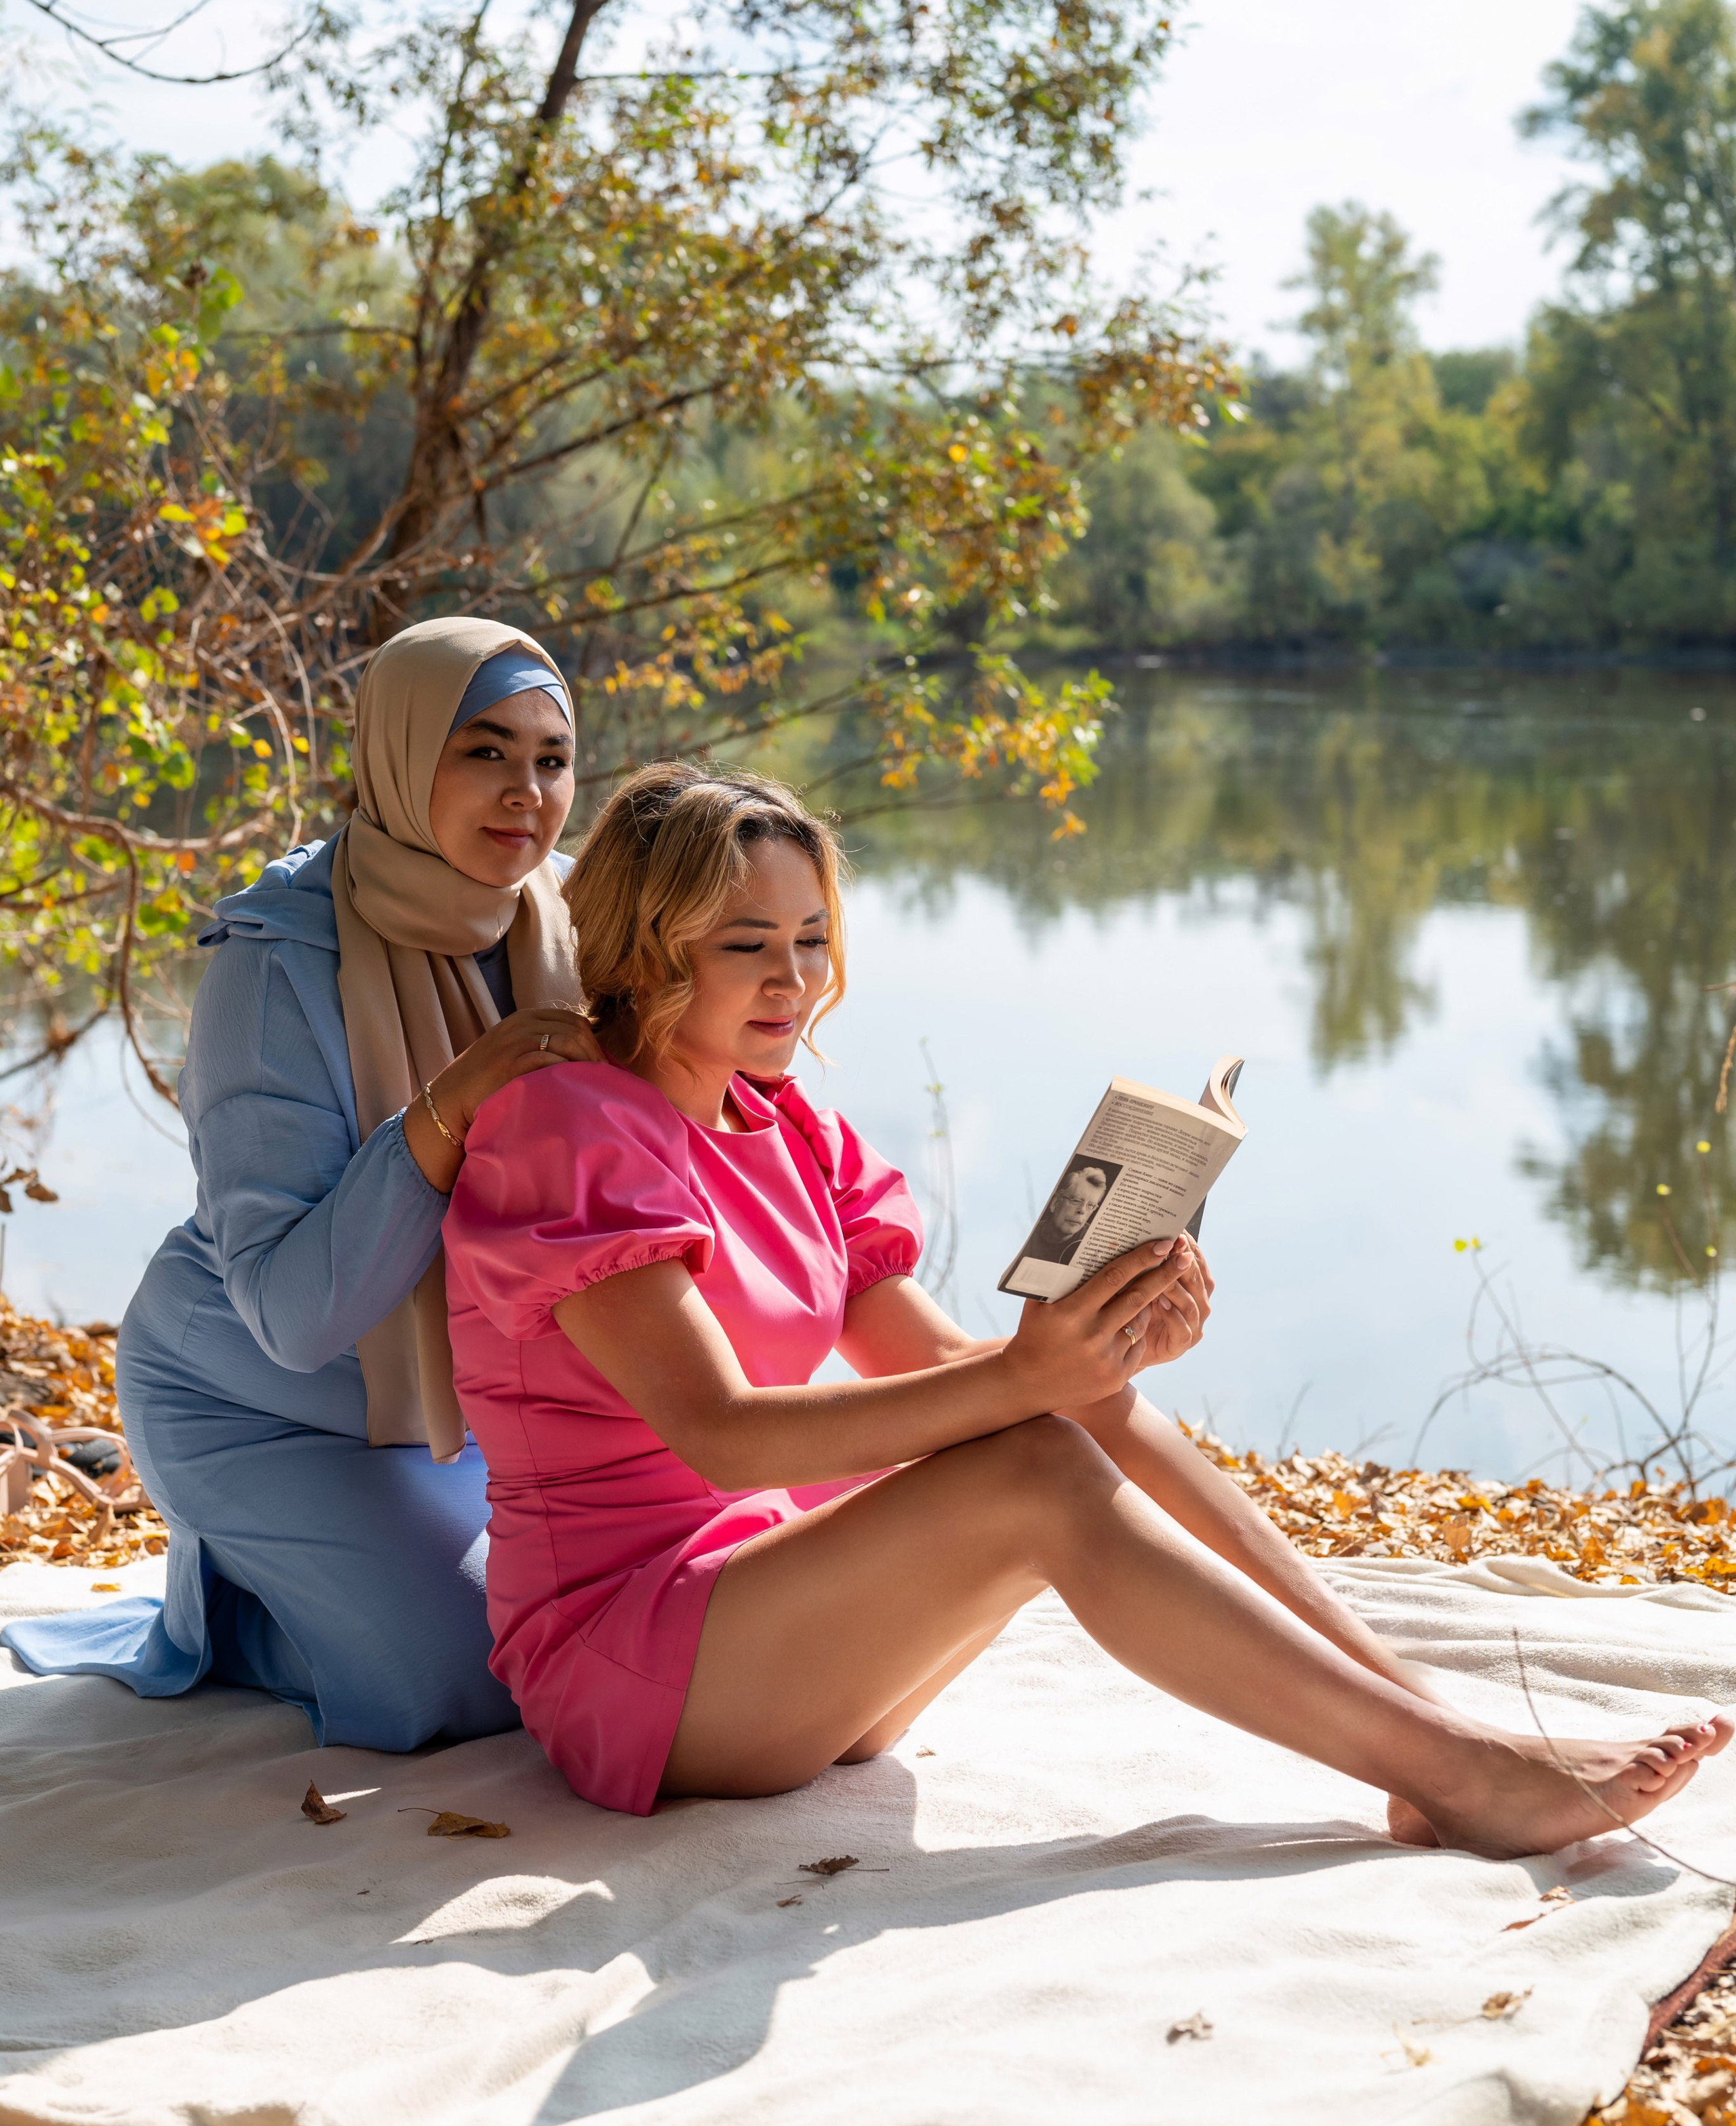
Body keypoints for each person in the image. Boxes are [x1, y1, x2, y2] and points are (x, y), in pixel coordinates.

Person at [442, 762, 1730, 1852]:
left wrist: (1105, 1333)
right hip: (636, 1667)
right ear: (649, 945)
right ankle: (1461, 1773)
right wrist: (1024, 1383)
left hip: (791, 1638)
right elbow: (720, 1433)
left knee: (1079, 1409)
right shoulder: (572, 1124)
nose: (793, 980)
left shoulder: (790, 1124)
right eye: (747, 946)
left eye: (812, 941)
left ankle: (1428, 1732)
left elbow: (947, 1366)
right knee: (1039, 1459)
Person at [2, 616, 597, 1748]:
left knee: (607, 1631)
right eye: (484, 751)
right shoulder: (276, 958)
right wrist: (451, 1105)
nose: (528, 790)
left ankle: (343, 1563)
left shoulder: (572, 918)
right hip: (252, 1393)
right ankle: (241, 1609)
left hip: (473, 1402)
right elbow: (293, 1313)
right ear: (398, 753)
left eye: (552, 758)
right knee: (473, 1683)